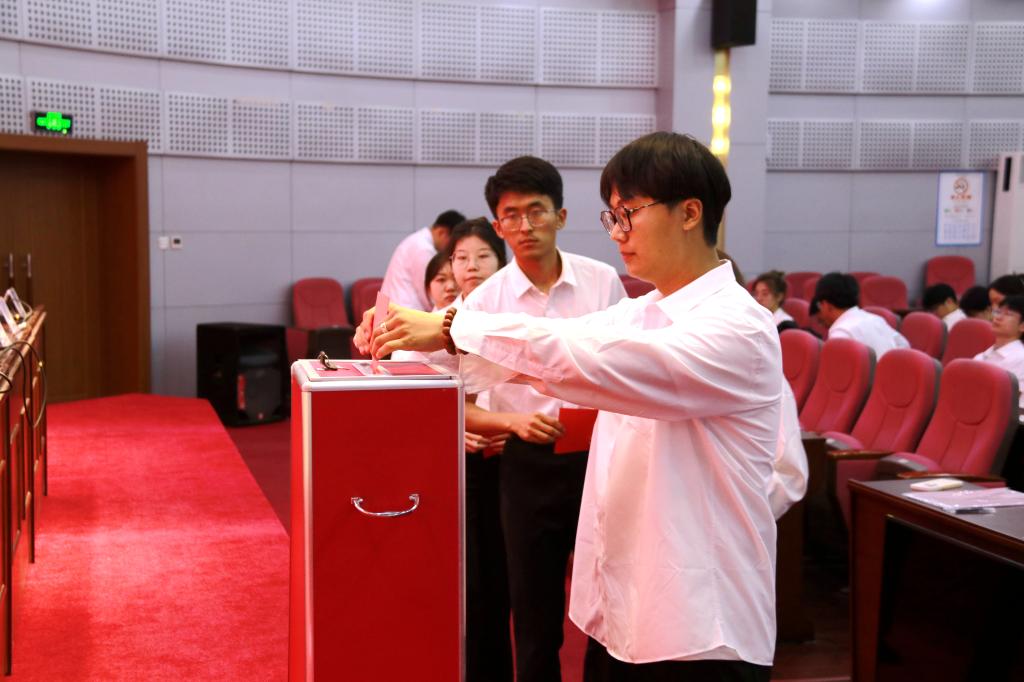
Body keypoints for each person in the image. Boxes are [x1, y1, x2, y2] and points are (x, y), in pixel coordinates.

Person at [359, 132, 781, 681]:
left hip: (701, 625)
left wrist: (450, 326)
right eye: (612, 217)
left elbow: (587, 359)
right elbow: (532, 355)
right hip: (628, 607)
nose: (618, 233)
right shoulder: (642, 311)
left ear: (689, 212)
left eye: (629, 213)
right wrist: (405, 340)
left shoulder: (738, 326)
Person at [457, 156, 626, 682]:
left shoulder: (602, 282)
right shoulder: (484, 302)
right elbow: (460, 399)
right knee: (534, 612)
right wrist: (510, 425)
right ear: (497, 225)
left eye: (537, 211)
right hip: (527, 465)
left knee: (611, 599)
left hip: (599, 458)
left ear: (561, 216)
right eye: (511, 216)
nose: (525, 226)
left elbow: (625, 365)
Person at [380, 209, 465, 310]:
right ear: (441, 232)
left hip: (385, 309)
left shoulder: (415, 241)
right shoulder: (423, 249)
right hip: (400, 311)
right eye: (452, 242)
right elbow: (429, 296)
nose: (452, 247)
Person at [809, 272, 909, 358]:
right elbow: (904, 345)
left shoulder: (841, 333)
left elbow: (839, 371)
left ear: (826, 305)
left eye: (819, 305)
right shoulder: (876, 319)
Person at [973, 294, 1024, 414]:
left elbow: (1009, 402)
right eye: (998, 312)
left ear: (1022, 326)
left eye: (1008, 314)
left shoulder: (1021, 358)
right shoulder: (981, 357)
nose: (998, 318)